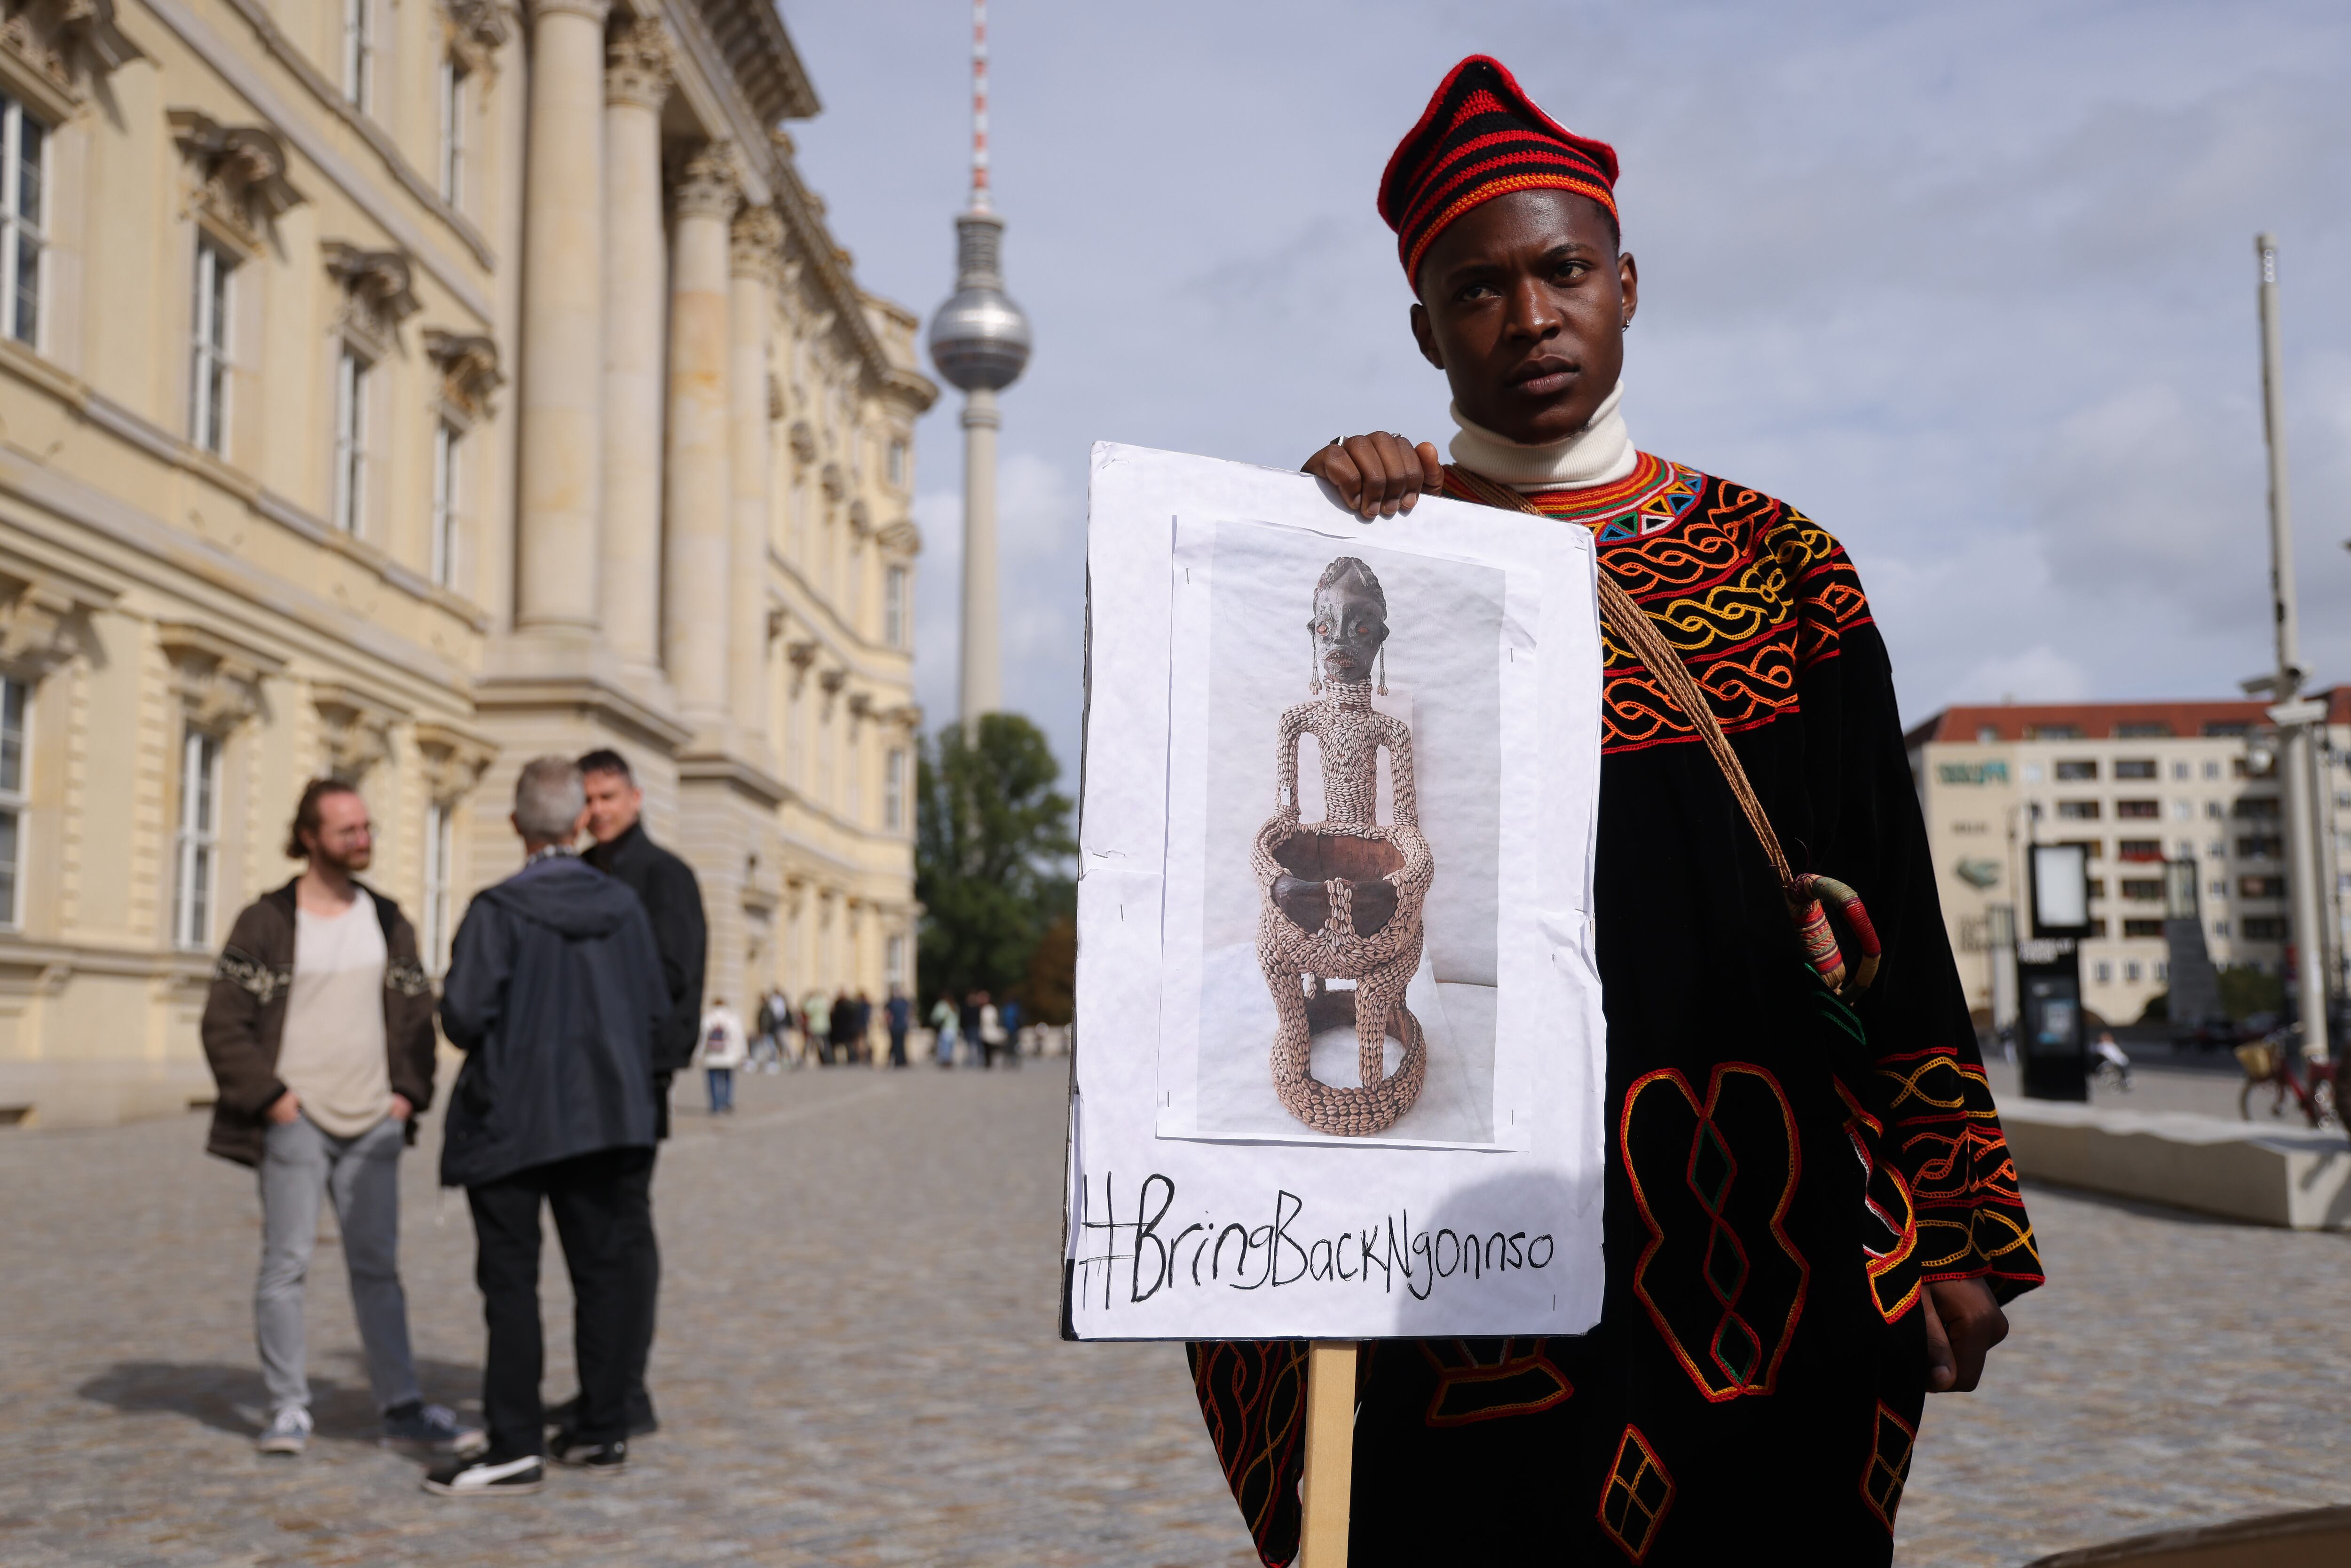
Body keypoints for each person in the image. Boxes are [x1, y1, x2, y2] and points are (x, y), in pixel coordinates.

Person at [1186, 58, 2042, 1566]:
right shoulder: (1377, 576)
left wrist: (1958, 1221)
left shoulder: (1780, 567)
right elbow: (1254, 850)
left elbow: (1885, 914)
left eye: (1561, 271)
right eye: (1476, 289)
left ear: (1625, 285)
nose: (1527, 318)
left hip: (1754, 1244)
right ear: (1422, 327)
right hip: (1468, 1276)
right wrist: (1302, 534)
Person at [198, 779, 483, 1460]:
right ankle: (288, 1407)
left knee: (378, 1267)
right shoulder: (264, 921)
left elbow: (418, 1017)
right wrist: (273, 1098)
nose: (363, 839)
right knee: (286, 1264)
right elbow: (224, 1022)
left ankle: (402, 1404)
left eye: (366, 827)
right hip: (294, 1119)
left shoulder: (388, 919)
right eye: (347, 829)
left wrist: (407, 1095)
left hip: (373, 1122)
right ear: (308, 837)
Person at [426, 757, 670, 1497]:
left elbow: (463, 1017)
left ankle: (514, 1442)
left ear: (516, 825)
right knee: (601, 1276)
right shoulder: (624, 906)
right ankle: (602, 1427)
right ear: (577, 822)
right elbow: (655, 1009)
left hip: (513, 1119)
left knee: (511, 1284)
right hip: (606, 1116)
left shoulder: (498, 908)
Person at [571, 748, 707, 1443]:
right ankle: (601, 1387)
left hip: (628, 1087)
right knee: (591, 1244)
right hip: (576, 1088)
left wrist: (649, 1070)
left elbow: (678, 984)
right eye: (588, 798)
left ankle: (626, 1391)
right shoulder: (581, 871)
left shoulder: (664, 876)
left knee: (621, 1238)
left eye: (607, 797)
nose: (596, 810)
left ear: (636, 796)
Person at [698, 996, 748, 1113]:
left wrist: (698, 1054)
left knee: (713, 1080)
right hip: (728, 1055)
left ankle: (715, 1105)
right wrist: (743, 1053)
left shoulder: (708, 1018)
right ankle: (727, 1102)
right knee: (728, 1080)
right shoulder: (732, 1017)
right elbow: (739, 1037)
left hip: (711, 1056)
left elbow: (702, 1039)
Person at [884, 984, 912, 1068]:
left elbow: (889, 1016)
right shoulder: (903, 1003)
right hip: (900, 1026)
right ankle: (900, 1061)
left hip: (897, 1027)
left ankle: (899, 1061)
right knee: (899, 1044)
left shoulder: (892, 1003)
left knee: (897, 1045)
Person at [930, 993, 960, 1068]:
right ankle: (948, 1060)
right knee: (950, 1046)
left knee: (945, 1046)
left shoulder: (942, 1006)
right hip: (954, 1029)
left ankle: (946, 1061)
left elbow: (936, 1017)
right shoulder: (954, 1006)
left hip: (946, 1029)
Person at [961, 989, 987, 1069]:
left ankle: (976, 1061)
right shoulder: (974, 1008)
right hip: (971, 1028)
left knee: (974, 1046)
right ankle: (974, 1061)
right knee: (972, 1046)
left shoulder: (975, 1008)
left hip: (974, 1028)